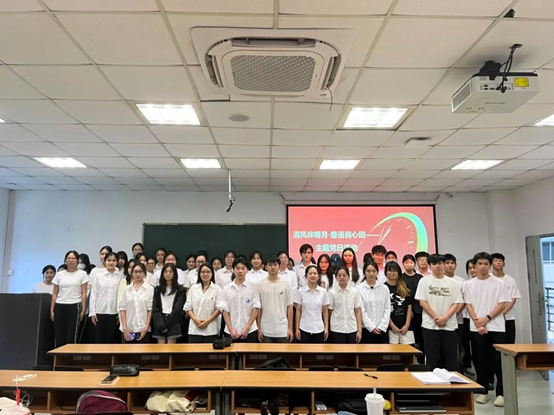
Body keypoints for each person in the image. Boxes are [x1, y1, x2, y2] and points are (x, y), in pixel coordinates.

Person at [464, 252, 511, 407]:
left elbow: (502, 304)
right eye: (480, 264)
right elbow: (468, 305)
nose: (483, 267)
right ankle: (483, 391)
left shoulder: (499, 283)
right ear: (475, 265)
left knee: (499, 361)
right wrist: (479, 323)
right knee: (480, 360)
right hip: (476, 327)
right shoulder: (468, 284)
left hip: (496, 327)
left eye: (486, 264)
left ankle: (501, 393)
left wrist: (487, 318)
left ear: (490, 265)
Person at [415, 254, 463, 371]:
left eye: (440, 263)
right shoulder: (424, 281)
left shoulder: (453, 283)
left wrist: (445, 318)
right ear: (430, 266)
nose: (437, 266)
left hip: (449, 326)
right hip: (430, 325)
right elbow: (422, 302)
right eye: (434, 264)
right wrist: (436, 317)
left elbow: (456, 303)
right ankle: (432, 382)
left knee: (451, 359)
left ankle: (452, 382)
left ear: (443, 265)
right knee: (432, 359)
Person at [217, 257, 261, 343]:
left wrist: (247, 328)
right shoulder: (226, 289)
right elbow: (224, 310)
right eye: (237, 268)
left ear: (247, 270)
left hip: (250, 331)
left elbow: (256, 308)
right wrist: (230, 329)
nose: (240, 271)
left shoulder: (253, 287)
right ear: (233, 270)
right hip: (230, 331)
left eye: (243, 268)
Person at [50, 250, 89, 347]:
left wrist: (83, 310)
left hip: (74, 305)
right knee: (59, 334)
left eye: (73, 258)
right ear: (65, 260)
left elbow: (84, 293)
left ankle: (70, 355)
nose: (71, 260)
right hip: (60, 305)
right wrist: (52, 310)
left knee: (71, 335)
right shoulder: (59, 274)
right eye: (69, 258)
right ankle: (58, 355)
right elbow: (55, 293)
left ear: (77, 260)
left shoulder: (82, 274)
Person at [257, 256, 294, 343]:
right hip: (265, 328)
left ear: (279, 266)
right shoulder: (260, 285)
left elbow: (290, 307)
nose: (272, 267)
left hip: (282, 329)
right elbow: (258, 309)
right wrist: (259, 328)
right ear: (266, 267)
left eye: (275, 265)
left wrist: (290, 328)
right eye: (270, 265)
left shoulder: (286, 284)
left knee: (283, 352)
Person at [89, 252, 123, 344]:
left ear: (117, 262)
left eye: (114, 260)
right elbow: (94, 295)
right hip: (100, 312)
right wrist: (92, 312)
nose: (111, 263)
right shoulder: (99, 276)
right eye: (109, 260)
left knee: (111, 339)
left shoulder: (121, 276)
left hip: (114, 312)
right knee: (99, 339)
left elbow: (122, 296)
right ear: (105, 261)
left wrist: (120, 313)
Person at [185, 263, 222, 343]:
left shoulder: (217, 289)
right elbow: (188, 307)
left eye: (208, 272)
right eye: (203, 272)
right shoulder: (193, 288)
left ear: (212, 274)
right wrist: (195, 320)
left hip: (211, 329)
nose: (205, 274)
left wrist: (207, 322)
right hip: (194, 329)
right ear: (199, 274)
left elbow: (219, 309)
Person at [118, 262, 154, 343]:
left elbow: (150, 310)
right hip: (129, 330)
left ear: (144, 273)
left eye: (140, 271)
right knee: (128, 350)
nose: (138, 274)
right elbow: (122, 309)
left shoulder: (150, 289)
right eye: (135, 271)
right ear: (131, 273)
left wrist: (146, 328)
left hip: (143, 330)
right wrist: (125, 328)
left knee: (142, 350)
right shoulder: (126, 289)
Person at [491, 253, 521, 345]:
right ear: (491, 264)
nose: (498, 263)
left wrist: (503, 313)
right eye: (495, 261)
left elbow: (513, 299)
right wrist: (494, 314)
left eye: (500, 261)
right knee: (494, 346)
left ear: (504, 264)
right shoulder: (488, 279)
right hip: (492, 319)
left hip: (508, 317)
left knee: (509, 344)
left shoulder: (511, 280)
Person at [152, 263, 186, 344]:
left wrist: (169, 322)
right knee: (161, 348)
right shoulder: (157, 289)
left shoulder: (180, 290)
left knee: (171, 348)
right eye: (165, 271)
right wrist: (160, 323)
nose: (168, 273)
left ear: (174, 274)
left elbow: (178, 308)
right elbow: (155, 308)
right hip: (160, 320)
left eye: (170, 272)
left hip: (174, 320)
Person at [444, 253, 467, 372]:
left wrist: (453, 314)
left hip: (458, 321)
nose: (450, 265)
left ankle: (459, 372)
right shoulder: (438, 280)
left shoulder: (461, 281)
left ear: (456, 265)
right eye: (447, 263)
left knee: (458, 347)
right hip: (441, 321)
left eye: (452, 263)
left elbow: (463, 300)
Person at [295, 265, 330, 343]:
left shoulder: (323, 292)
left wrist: (326, 328)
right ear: (306, 276)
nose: (313, 275)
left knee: (319, 350)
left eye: (315, 273)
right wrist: (297, 328)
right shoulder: (300, 291)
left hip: (319, 328)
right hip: (304, 328)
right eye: (310, 273)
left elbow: (325, 311)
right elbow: (298, 310)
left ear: (318, 276)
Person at [358, 261, 390, 344]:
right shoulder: (359, 289)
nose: (371, 274)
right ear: (364, 272)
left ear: (377, 272)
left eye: (374, 271)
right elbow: (361, 311)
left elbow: (387, 308)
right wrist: (371, 327)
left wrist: (382, 326)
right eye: (368, 271)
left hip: (382, 329)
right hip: (366, 330)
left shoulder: (384, 288)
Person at [328, 266, 363, 344]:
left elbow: (357, 311)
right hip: (337, 328)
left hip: (352, 328)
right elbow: (330, 310)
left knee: (352, 351)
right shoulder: (332, 292)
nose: (342, 277)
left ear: (348, 277)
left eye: (344, 275)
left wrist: (359, 330)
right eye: (339, 275)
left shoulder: (355, 292)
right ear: (336, 278)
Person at [401, 254, 424, 361]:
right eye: (406, 262)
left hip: (419, 310)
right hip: (405, 311)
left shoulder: (420, 278)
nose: (409, 264)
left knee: (420, 336)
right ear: (403, 264)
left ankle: (421, 360)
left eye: (411, 262)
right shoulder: (401, 278)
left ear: (414, 264)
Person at [385, 261, 414, 345]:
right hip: (390, 327)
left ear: (398, 272)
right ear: (386, 272)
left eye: (394, 271)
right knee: (393, 352)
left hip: (406, 326)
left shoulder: (405, 287)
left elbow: (409, 307)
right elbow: (383, 309)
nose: (392, 273)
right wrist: (392, 325)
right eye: (390, 271)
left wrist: (407, 325)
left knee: (408, 351)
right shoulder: (383, 288)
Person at [462, 259, 477, 375]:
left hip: (484, 319)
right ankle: (468, 365)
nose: (472, 270)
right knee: (466, 344)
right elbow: (466, 302)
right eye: (469, 268)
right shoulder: (466, 284)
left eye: (473, 267)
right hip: (467, 317)